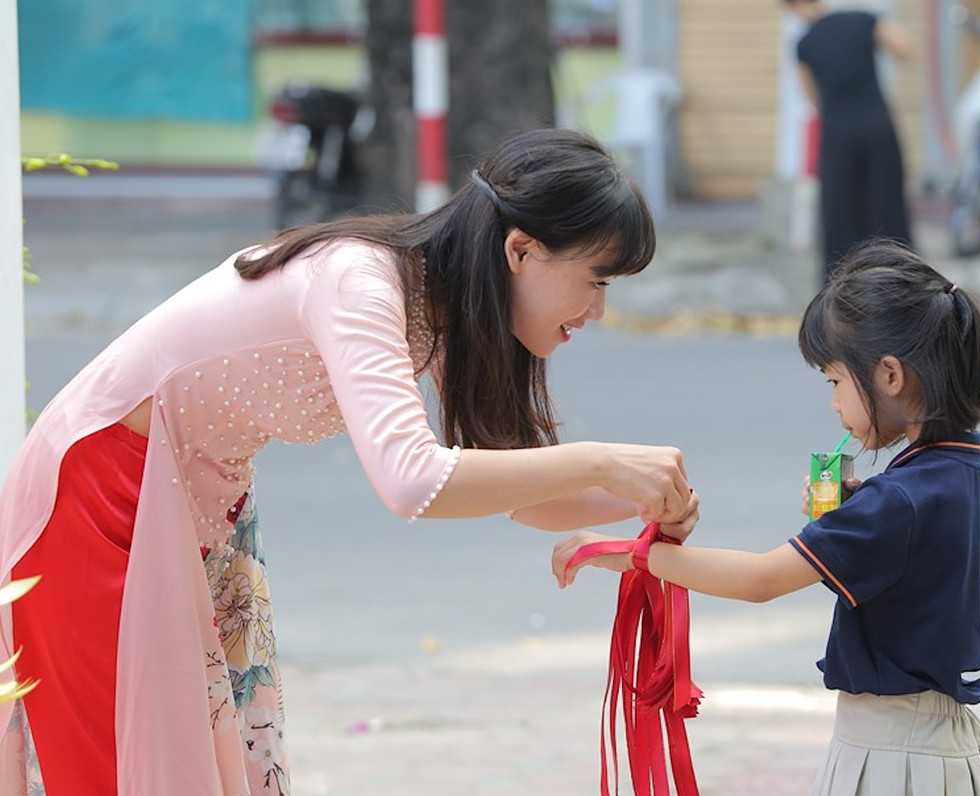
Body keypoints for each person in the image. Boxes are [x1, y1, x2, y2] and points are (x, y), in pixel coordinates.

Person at [0, 127, 700, 794]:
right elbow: (413, 482)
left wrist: (645, 497)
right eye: (597, 281)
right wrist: (603, 463)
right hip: (98, 496)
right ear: (521, 250)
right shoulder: (360, 283)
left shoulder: (446, 304)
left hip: (191, 507)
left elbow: (518, 491)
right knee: (115, 771)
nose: (599, 310)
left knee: (197, 769)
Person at [554, 240, 980, 795]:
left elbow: (760, 580)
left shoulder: (897, 500)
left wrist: (629, 554)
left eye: (835, 382)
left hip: (895, 754)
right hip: (951, 748)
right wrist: (854, 515)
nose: (834, 403)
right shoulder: (970, 473)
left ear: (890, 375)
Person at [783, 0, 915, 281]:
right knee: (887, 203)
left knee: (839, 210)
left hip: (837, 128)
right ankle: (901, 278)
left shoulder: (805, 43)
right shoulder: (861, 20)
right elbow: (905, 49)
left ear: (795, 7)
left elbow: (809, 94)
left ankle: (842, 285)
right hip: (876, 122)